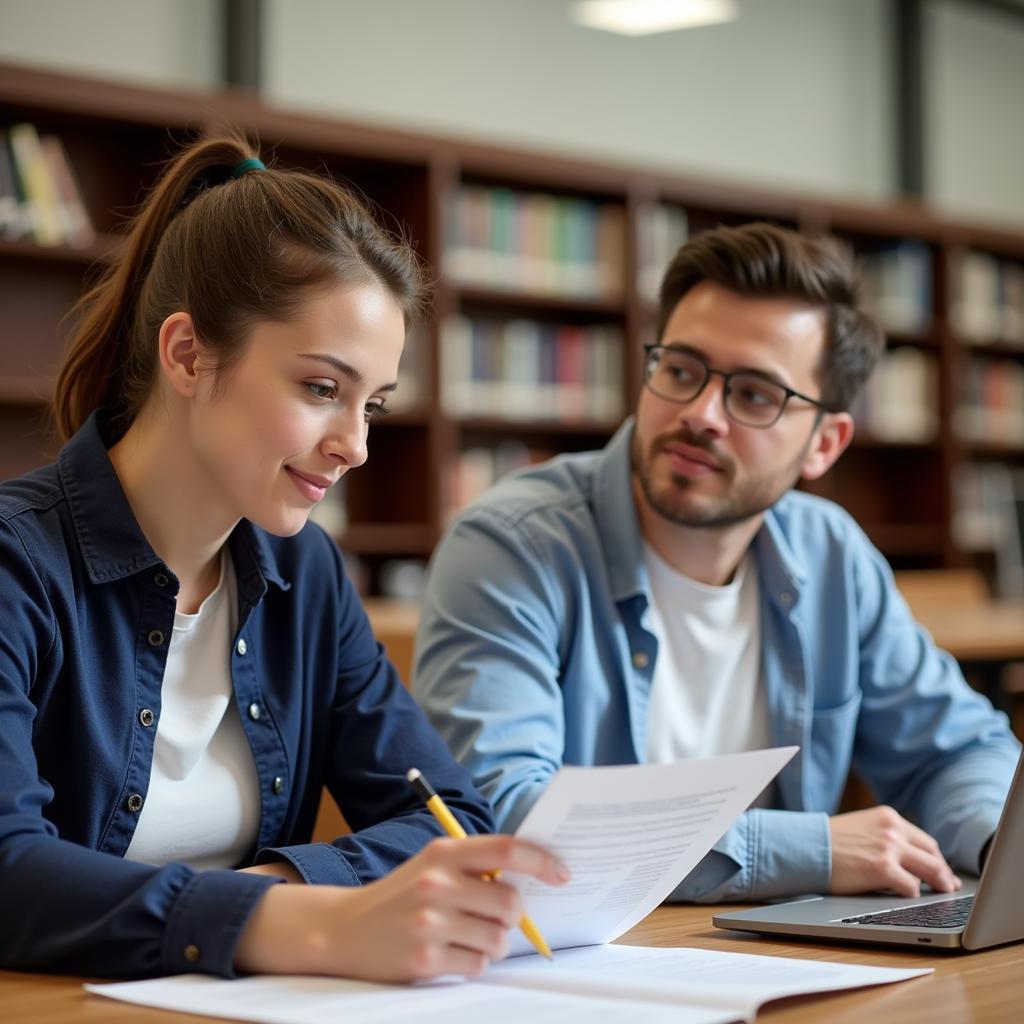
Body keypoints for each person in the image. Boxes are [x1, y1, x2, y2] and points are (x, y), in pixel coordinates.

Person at [0, 135, 567, 982]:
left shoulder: (309, 578)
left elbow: (451, 816)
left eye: (373, 404)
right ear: (188, 354)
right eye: (321, 389)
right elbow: (8, 870)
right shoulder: (18, 565)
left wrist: (278, 899)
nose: (357, 447)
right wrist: (301, 922)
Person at [414, 222, 1022, 905]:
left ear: (825, 443)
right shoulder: (511, 546)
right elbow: (501, 815)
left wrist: (1001, 850)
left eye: (755, 395)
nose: (701, 414)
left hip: (779, 958)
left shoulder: (831, 555)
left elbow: (961, 751)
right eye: (680, 370)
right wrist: (811, 850)